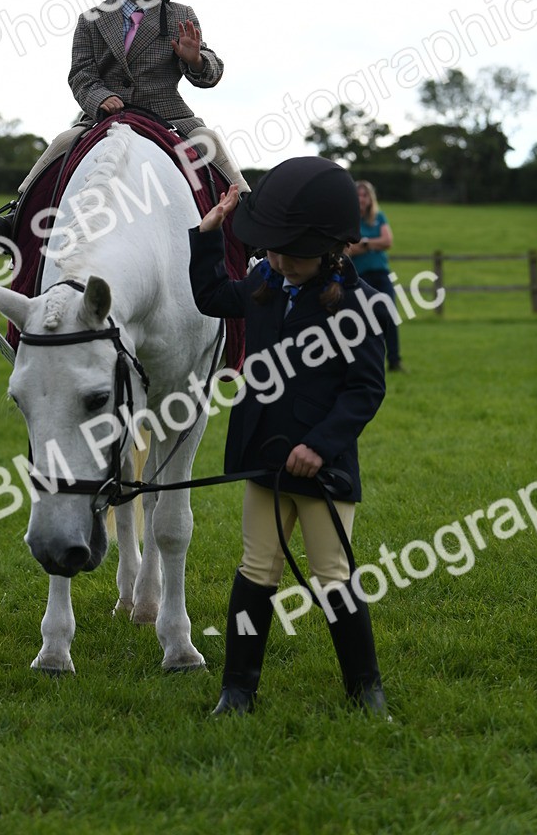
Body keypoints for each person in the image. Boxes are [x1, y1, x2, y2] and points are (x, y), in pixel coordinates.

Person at [188, 157, 390, 718]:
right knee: (257, 570)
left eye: (291, 253)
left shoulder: (359, 306)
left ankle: (365, 690)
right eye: (272, 250)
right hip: (265, 458)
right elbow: (210, 297)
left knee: (334, 576)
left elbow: (365, 391)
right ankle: (237, 690)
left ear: (328, 249)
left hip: (323, 470)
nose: (278, 261)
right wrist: (208, 234)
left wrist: (320, 445)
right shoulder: (264, 283)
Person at [0, 0, 248, 243]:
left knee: (211, 140)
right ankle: (17, 212)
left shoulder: (181, 14)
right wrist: (99, 98)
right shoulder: (91, 20)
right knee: (63, 143)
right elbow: (80, 74)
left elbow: (210, 72)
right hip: (107, 113)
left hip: (169, 113)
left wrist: (196, 60)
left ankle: (248, 210)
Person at [347, 180, 404, 372]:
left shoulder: (379, 217)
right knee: (361, 321)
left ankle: (395, 360)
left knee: (389, 316)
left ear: (371, 198)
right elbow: (348, 250)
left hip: (381, 275)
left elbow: (388, 241)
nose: (362, 199)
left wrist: (364, 243)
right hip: (359, 277)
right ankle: (364, 362)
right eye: (358, 195)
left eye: (365, 195)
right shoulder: (349, 220)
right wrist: (372, 244)